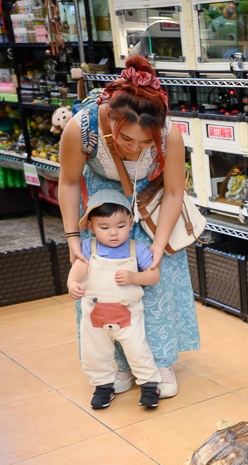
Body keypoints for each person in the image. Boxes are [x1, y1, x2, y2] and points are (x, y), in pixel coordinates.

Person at [59, 55, 200, 399]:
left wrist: (159, 245)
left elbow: (173, 191)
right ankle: (116, 367)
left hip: (152, 215)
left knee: (156, 288)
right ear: (112, 121)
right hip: (106, 216)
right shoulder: (82, 126)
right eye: (127, 141)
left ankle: (160, 363)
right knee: (104, 289)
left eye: (145, 144)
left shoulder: (171, 134)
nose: (136, 149)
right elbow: (68, 181)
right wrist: (72, 237)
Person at [67, 190, 162, 410]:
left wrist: (134, 277)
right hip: (94, 317)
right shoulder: (88, 248)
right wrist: (73, 284)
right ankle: (102, 386)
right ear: (91, 226)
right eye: (104, 227)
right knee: (95, 353)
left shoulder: (135, 249)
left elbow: (154, 275)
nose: (113, 233)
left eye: (120, 226)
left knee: (138, 349)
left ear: (131, 222)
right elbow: (78, 269)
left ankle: (149, 385)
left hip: (129, 316)